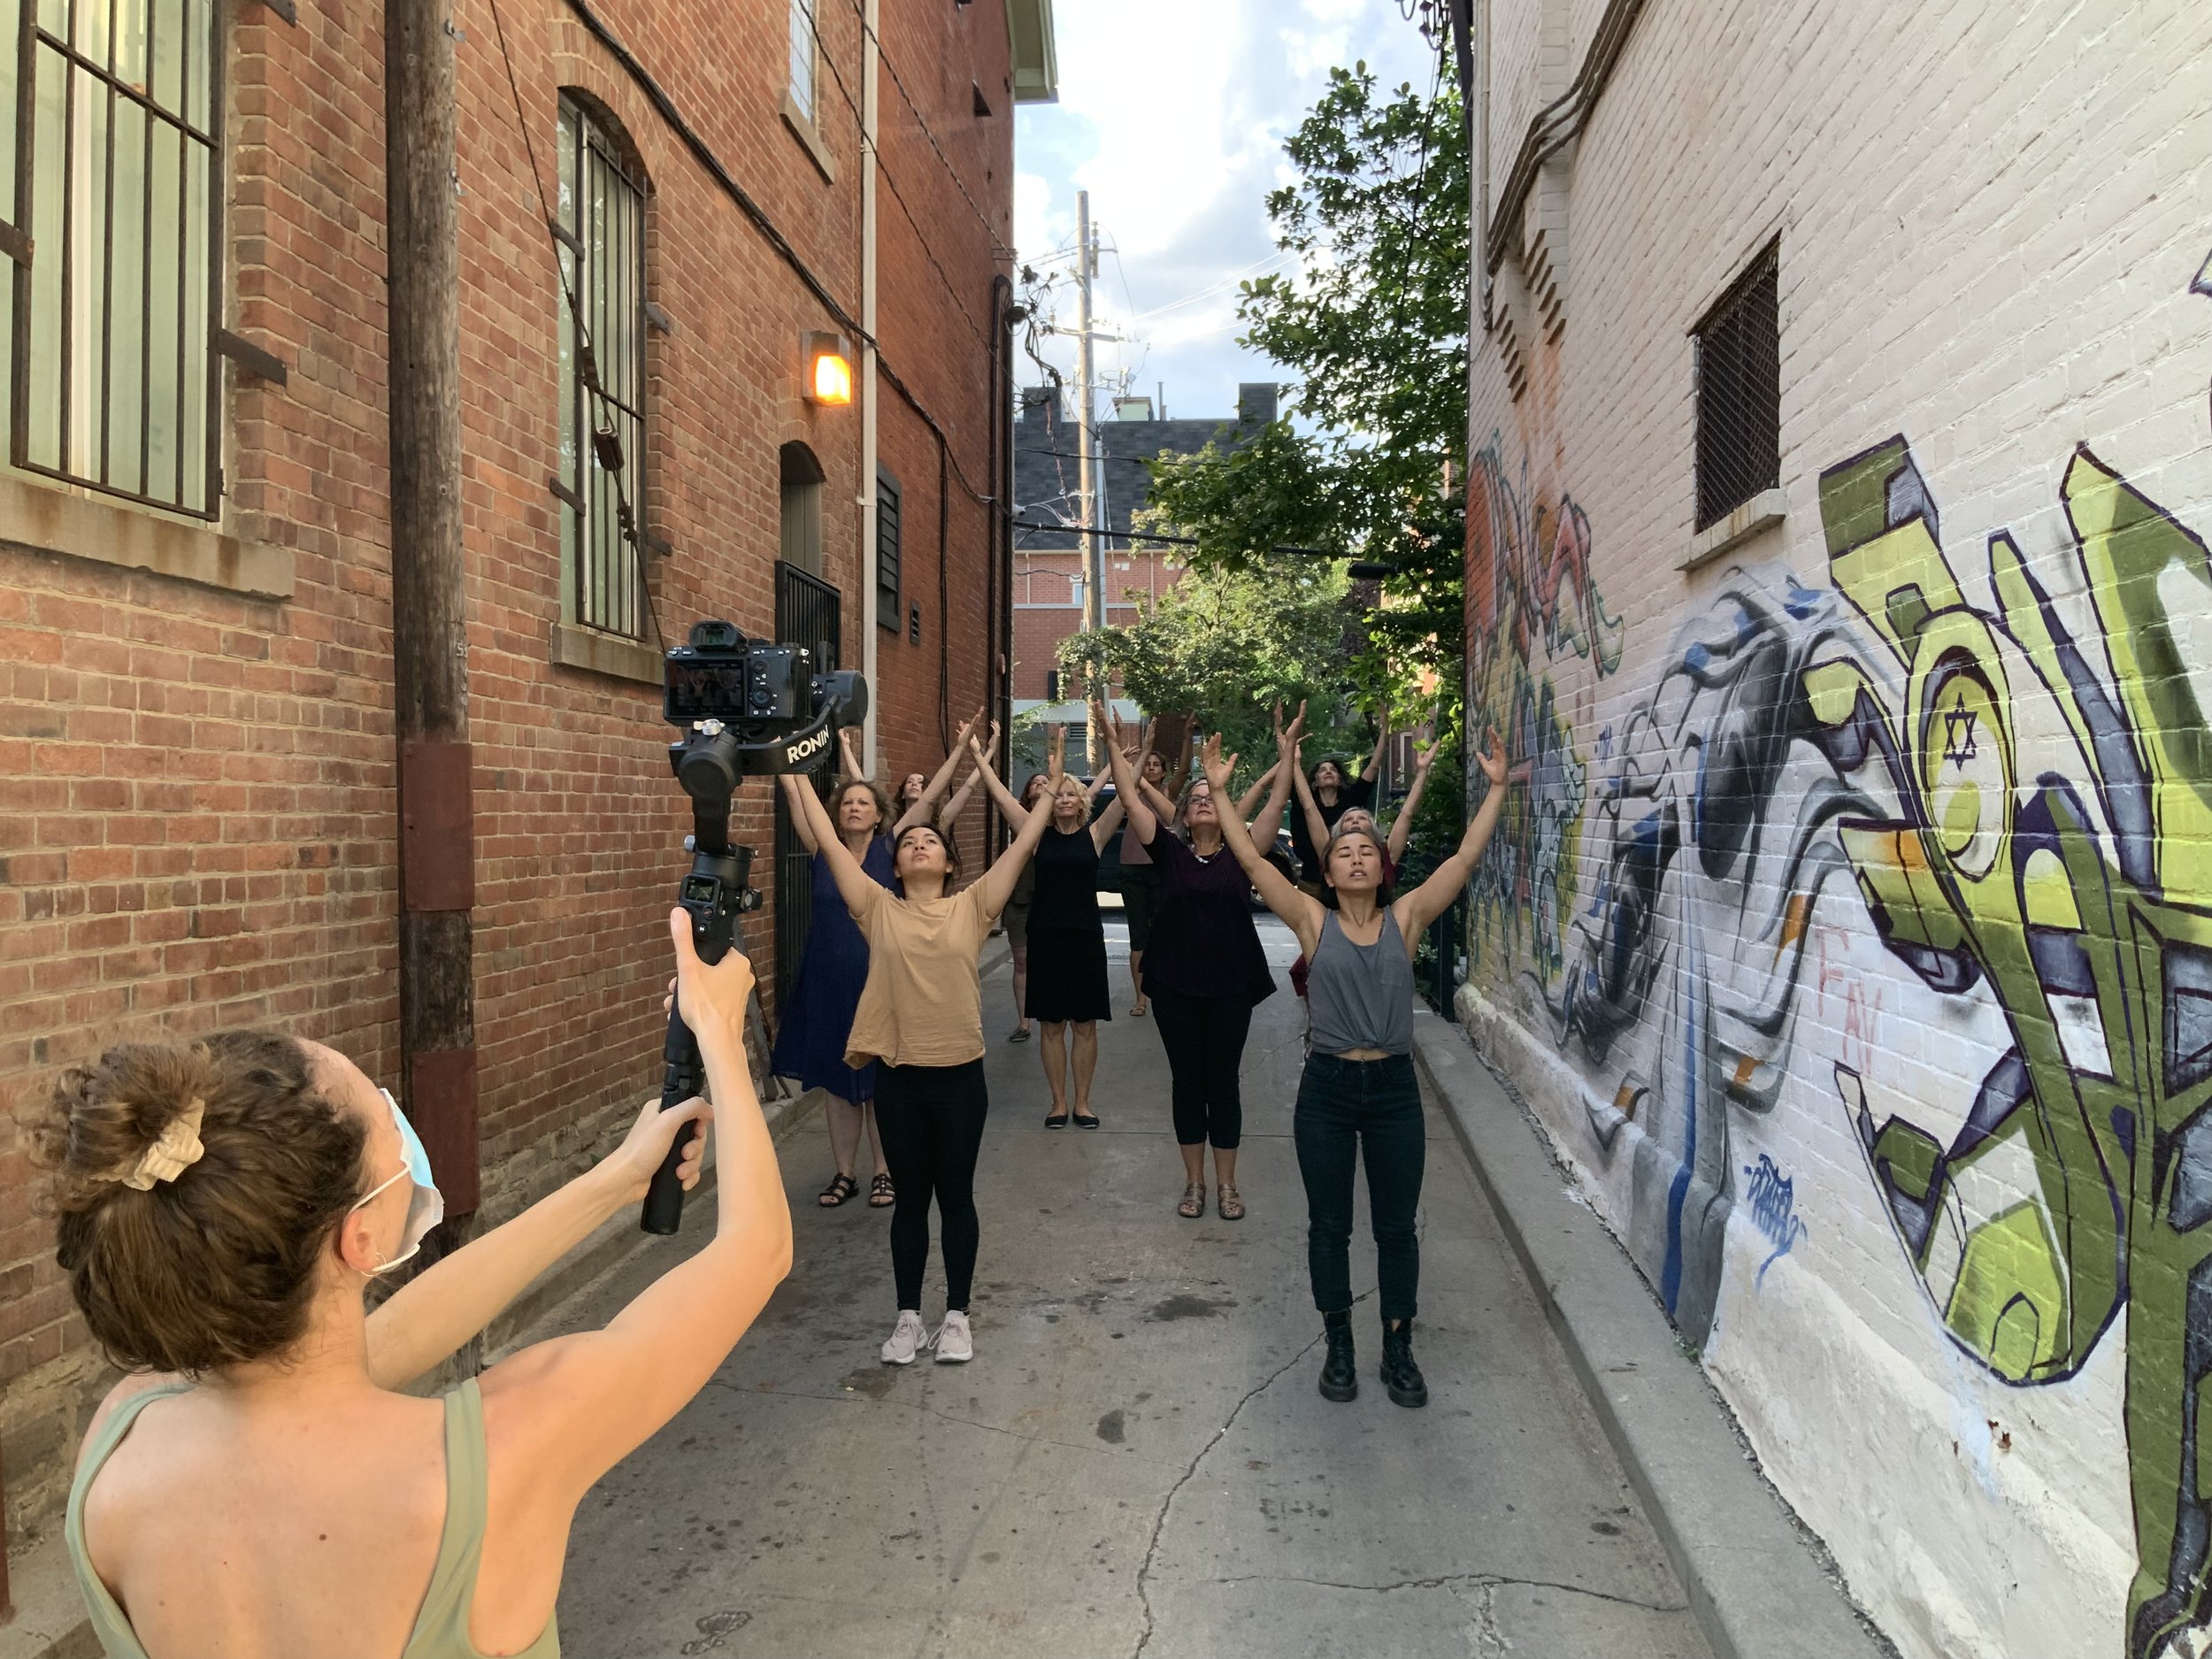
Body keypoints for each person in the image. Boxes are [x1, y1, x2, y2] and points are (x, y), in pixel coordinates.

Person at [40, 910, 787, 1657]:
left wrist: (611, 1183)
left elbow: (380, 1344)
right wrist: (718, 1030)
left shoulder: (123, 1430)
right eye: (385, 1116)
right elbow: (756, 1250)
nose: (401, 1127)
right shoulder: (498, 1454)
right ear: (360, 1236)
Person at [1203, 723, 1511, 1410]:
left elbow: (1463, 858)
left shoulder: (1408, 918)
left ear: (1381, 863)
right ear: (1330, 866)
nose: (1356, 857)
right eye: (1343, 851)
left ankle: (1398, 1344)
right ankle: (1338, 1342)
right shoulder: (1313, 921)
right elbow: (1253, 867)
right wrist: (1224, 797)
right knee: (1330, 1225)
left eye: (1366, 849)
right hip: (1328, 1091)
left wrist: (1493, 791)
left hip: (1395, 1090)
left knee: (1397, 1227)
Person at [789, 731, 1061, 1366]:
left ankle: (958, 1315)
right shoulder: (876, 906)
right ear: (896, 858)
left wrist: (1047, 789)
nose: (917, 844)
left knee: (956, 1197)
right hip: (900, 1079)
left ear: (946, 863)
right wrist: (793, 769)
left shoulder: (974, 906)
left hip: (961, 1079)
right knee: (910, 1201)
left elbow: (1023, 846)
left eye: (930, 841)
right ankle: (909, 1316)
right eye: (910, 839)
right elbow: (830, 842)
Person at [1095, 699, 1300, 1220]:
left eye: (1214, 798)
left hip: (1231, 983)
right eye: (1197, 798)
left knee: (1223, 1082)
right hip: (1175, 984)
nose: (1205, 803)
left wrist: (1288, 754)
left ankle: (1228, 1184)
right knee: (1187, 1082)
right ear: (1183, 813)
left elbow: (1275, 806)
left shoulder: (1245, 853)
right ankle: (1194, 1183)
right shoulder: (1169, 851)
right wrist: (1117, 749)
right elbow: (1129, 796)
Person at [971, 729, 1126, 1128]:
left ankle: (1083, 1102)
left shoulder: (1095, 835)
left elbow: (1126, 793)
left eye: (1072, 794)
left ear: (1083, 802)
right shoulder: (1036, 838)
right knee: (1052, 1024)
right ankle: (1058, 1102)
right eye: (1059, 794)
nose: (1065, 799)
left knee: (1085, 1024)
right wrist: (977, 755)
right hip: (1047, 937)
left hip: (1085, 938)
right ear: (1048, 802)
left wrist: (1117, 751)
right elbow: (1004, 799)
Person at [773, 771, 901, 1209]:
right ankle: (845, 1172)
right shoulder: (823, 852)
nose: (854, 808)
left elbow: (935, 802)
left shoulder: (892, 853)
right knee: (837, 1079)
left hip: (880, 981)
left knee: (881, 1076)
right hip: (827, 979)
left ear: (880, 815)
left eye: (864, 803)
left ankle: (885, 1171)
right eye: (847, 803)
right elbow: (797, 805)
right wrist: (790, 774)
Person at [1286, 727, 1444, 1001]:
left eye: (1361, 819)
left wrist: (1422, 772)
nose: (1356, 822)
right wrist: (1296, 764)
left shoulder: (1387, 854)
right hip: (1338, 938)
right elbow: (1310, 809)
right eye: (1349, 821)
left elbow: (1406, 813)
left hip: (1380, 939)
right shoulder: (1329, 852)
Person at [1116, 719, 1194, 1018]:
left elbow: (1184, 770)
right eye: (1145, 763)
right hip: (1131, 869)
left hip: (1164, 870)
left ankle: (1168, 987)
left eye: (1155, 764)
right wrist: (1120, 755)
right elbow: (1118, 776)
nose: (1149, 767)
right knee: (1138, 936)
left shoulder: (1169, 793)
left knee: (1166, 932)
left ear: (1163, 771)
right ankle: (1140, 998)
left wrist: (1187, 737)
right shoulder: (1131, 792)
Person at [1287, 714, 1393, 887]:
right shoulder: (1305, 803)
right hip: (1311, 882)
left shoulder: (1350, 802)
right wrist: (1291, 752)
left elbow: (1373, 767)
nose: (1328, 771)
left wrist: (1384, 731)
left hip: (1345, 879)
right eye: (1322, 770)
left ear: (1339, 780)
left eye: (1333, 770)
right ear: (1315, 781)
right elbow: (1291, 774)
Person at [1002, 769, 1051, 1043]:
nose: (1041, 785)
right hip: (1021, 899)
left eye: (1046, 782)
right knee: (1021, 961)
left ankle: (1049, 1014)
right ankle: (1024, 1023)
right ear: (1029, 791)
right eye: (1036, 782)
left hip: (1050, 901)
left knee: (1047, 961)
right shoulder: (1019, 818)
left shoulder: (1060, 821)